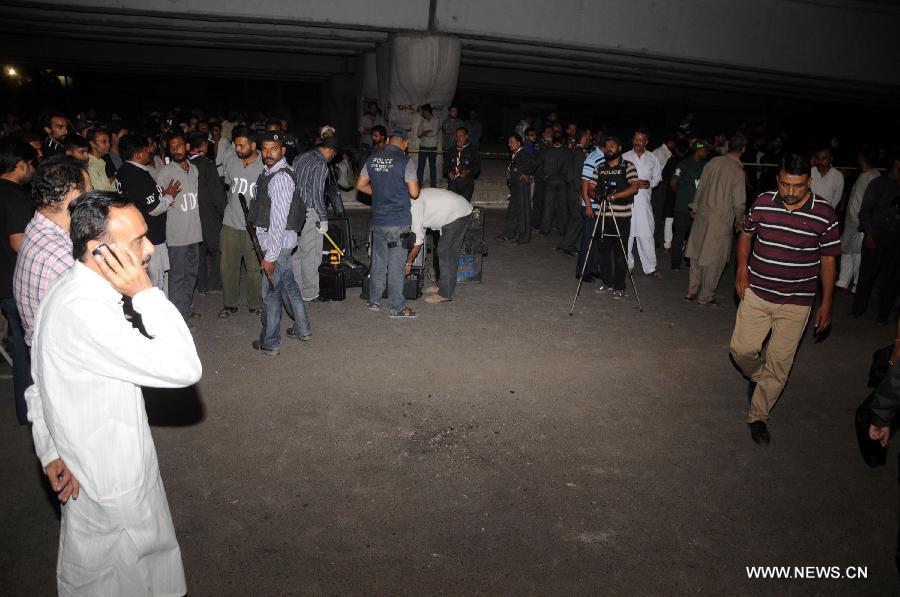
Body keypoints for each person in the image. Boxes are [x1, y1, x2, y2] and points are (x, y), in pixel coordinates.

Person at [26, 190, 201, 596]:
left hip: (92, 466)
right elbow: (185, 367)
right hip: (113, 483)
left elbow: (39, 379)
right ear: (99, 251)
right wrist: (146, 293)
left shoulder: (68, 285)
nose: (150, 248)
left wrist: (48, 446)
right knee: (124, 577)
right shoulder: (86, 313)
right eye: (138, 240)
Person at [730, 153, 840, 445]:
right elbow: (746, 235)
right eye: (785, 185)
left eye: (798, 186)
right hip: (758, 292)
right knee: (741, 351)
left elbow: (829, 260)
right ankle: (758, 375)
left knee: (780, 364)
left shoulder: (825, 213)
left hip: (798, 301)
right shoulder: (764, 202)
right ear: (777, 179)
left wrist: (827, 302)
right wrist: (742, 270)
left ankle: (758, 416)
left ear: (809, 183)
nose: (790, 192)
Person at [15, 155, 91, 348]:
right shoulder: (61, 256)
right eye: (89, 192)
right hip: (66, 358)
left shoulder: (37, 226)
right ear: (74, 197)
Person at [251, 132, 312, 354]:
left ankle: (270, 342)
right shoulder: (272, 173)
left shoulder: (280, 179)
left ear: (283, 150)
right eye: (264, 149)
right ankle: (303, 329)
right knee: (290, 287)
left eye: (273, 149)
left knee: (271, 296)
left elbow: (277, 222)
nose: (268, 154)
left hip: (276, 246)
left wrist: (270, 256)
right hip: (283, 244)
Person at [355, 127, 421, 319]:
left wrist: (381, 193)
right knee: (396, 265)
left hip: (378, 221)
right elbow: (415, 193)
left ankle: (374, 301)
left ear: (389, 139)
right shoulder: (405, 161)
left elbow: (360, 185)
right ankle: (397, 308)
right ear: (405, 143)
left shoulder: (373, 158)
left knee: (378, 261)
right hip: (398, 222)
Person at [684, 132, 748, 306]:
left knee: (697, 252)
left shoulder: (712, 162)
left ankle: (691, 290)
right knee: (715, 258)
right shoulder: (738, 171)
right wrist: (740, 220)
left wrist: (695, 207)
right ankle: (705, 296)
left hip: (702, 214)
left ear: (728, 147)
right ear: (743, 149)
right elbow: (740, 201)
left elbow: (700, 186)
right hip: (721, 218)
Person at [0, 138, 37, 424]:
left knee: (22, 346)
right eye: (30, 163)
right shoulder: (15, 196)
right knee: (28, 349)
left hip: (4, 282)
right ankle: (30, 413)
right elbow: (18, 242)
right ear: (20, 164)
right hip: (15, 281)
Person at [115, 134, 178, 290]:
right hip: (151, 238)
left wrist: (160, 195)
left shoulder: (124, 171)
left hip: (137, 235)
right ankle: (160, 314)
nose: (150, 151)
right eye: (146, 149)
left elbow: (143, 200)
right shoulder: (137, 175)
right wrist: (170, 195)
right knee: (157, 283)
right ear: (138, 154)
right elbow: (155, 209)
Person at [155, 133, 202, 322]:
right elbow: (158, 203)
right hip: (176, 235)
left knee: (191, 275)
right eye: (172, 146)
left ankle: (186, 309)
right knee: (177, 278)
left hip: (194, 232)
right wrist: (165, 196)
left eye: (179, 145)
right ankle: (178, 319)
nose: (176, 149)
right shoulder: (165, 173)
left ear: (187, 146)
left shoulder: (194, 169)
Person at [587, 135, 640, 298]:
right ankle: (606, 282)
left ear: (619, 148)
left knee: (620, 253)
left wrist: (613, 197)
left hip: (621, 217)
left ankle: (619, 286)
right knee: (603, 252)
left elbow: (634, 188)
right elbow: (590, 187)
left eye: (612, 145)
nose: (608, 148)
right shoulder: (600, 167)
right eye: (606, 146)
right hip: (603, 216)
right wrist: (596, 196)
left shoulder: (627, 166)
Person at [219, 127, 263, 318]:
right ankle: (230, 303)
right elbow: (228, 184)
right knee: (228, 265)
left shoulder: (265, 165)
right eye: (236, 145)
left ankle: (255, 303)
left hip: (253, 224)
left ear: (253, 145)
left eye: (241, 145)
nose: (237, 149)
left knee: (254, 267)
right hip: (230, 221)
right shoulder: (231, 161)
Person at [852, 154, 900, 323]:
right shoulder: (879, 184)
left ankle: (883, 315)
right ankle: (858, 310)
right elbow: (864, 211)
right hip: (876, 235)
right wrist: (869, 234)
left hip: (896, 239)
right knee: (867, 276)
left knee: (891, 278)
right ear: (896, 163)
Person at [291, 136, 339, 302]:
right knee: (311, 255)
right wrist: (323, 217)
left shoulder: (300, 157)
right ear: (331, 152)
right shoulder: (321, 165)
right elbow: (317, 194)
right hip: (310, 212)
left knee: (296, 252)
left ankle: (295, 289)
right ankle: (310, 293)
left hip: (293, 210)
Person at [407, 188, 474, 304]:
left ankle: (445, 293)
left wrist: (408, 263)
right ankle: (443, 285)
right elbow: (420, 232)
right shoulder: (411, 200)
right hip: (452, 210)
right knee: (443, 250)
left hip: (458, 213)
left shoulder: (415, 207)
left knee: (446, 252)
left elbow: (417, 242)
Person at [188, 132, 226, 295]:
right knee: (217, 249)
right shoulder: (207, 164)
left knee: (200, 249)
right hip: (208, 211)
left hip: (191, 210)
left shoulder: (185, 164)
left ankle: (201, 284)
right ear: (203, 146)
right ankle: (214, 283)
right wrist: (224, 212)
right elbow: (216, 192)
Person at [837, 149, 880, 293]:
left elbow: (873, 203)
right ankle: (842, 282)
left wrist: (866, 224)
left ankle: (856, 285)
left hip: (862, 223)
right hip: (851, 221)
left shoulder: (874, 176)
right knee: (846, 251)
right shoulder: (862, 174)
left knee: (858, 254)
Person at [622, 129, 662, 277]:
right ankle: (627, 264)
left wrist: (648, 183)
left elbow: (657, 178)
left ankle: (650, 267)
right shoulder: (625, 156)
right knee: (627, 234)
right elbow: (619, 177)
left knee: (646, 234)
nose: (637, 142)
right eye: (635, 139)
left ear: (646, 142)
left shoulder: (652, 158)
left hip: (644, 202)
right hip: (627, 202)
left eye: (640, 140)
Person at [669, 139, 710, 270]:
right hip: (683, 206)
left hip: (699, 207)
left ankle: (690, 259)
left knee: (695, 235)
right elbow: (673, 183)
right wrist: (683, 195)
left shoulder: (706, 165)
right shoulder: (684, 164)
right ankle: (675, 262)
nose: (706, 152)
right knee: (680, 234)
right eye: (704, 150)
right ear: (698, 150)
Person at [498, 134, 537, 244]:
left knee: (522, 211)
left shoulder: (523, 153)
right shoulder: (516, 154)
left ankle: (523, 237)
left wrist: (526, 174)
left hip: (521, 187)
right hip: (515, 187)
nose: (509, 144)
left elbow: (534, 164)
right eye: (509, 142)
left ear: (519, 143)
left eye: (511, 142)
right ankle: (508, 234)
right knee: (512, 211)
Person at [536, 134, 570, 236]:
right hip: (563, 181)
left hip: (550, 180)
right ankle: (563, 230)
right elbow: (570, 167)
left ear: (553, 140)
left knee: (548, 206)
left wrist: (543, 176)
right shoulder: (567, 152)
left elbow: (536, 163)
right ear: (563, 141)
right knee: (562, 206)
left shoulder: (547, 151)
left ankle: (545, 230)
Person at [446, 127, 480, 202]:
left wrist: (467, 172)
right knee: (452, 205)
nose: (458, 138)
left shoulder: (473, 150)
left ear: (466, 136)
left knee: (464, 207)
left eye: (461, 136)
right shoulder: (451, 150)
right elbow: (445, 165)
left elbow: (477, 167)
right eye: (457, 136)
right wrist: (448, 172)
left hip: (466, 183)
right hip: (453, 183)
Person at [415, 104, 439, 188]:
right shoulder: (423, 121)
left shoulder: (436, 120)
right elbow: (418, 133)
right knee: (420, 166)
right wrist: (427, 132)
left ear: (427, 111)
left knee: (432, 166)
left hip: (432, 146)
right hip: (423, 146)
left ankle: (433, 185)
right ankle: (419, 184)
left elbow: (434, 132)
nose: (422, 113)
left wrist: (424, 133)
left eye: (423, 111)